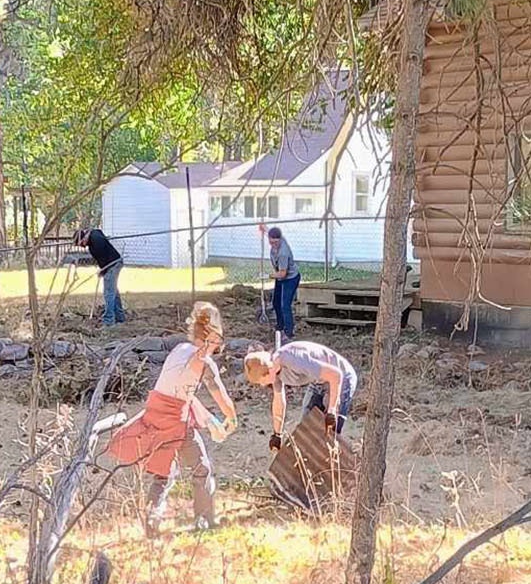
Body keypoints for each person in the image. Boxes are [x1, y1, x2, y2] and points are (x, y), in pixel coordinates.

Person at [107, 302, 238, 533]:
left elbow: (179, 392)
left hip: (154, 414)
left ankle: (152, 520)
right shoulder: (204, 363)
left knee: (163, 473)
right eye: (217, 342)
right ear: (210, 338)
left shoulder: (179, 349)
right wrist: (232, 418)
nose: (218, 348)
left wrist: (208, 420)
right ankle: (205, 521)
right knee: (201, 469)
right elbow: (220, 395)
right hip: (175, 421)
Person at [243, 340, 359, 450]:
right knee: (305, 430)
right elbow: (279, 402)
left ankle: (336, 465)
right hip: (318, 381)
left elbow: (336, 375)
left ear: (269, 371)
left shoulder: (293, 359)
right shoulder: (275, 373)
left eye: (261, 381)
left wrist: (332, 410)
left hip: (341, 378)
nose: (263, 385)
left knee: (329, 432)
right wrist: (277, 434)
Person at [77, 228, 126, 325]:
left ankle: (108, 320)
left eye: (81, 243)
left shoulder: (96, 239)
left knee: (108, 292)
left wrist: (103, 270)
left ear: (84, 237)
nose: (82, 246)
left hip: (113, 264)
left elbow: (103, 256)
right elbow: (102, 259)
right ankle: (120, 317)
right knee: (113, 291)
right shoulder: (92, 241)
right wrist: (102, 270)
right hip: (112, 264)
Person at [261, 224, 298, 336]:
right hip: (281, 277)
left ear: (279, 240)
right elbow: (270, 232)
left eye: (275, 243)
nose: (273, 245)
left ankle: (289, 332)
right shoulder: (276, 238)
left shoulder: (283, 252)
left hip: (290, 278)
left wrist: (268, 276)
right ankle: (280, 326)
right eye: (271, 242)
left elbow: (282, 273)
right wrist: (264, 228)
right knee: (276, 302)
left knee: (285, 305)